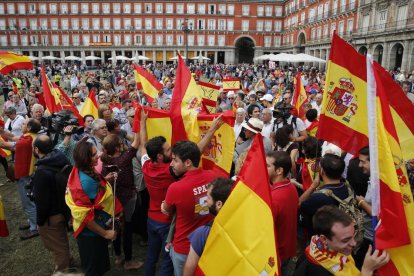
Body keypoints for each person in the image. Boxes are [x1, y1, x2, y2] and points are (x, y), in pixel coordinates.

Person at [140, 110, 223, 276]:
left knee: (151, 256)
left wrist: (142, 123)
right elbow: (194, 153)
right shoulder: (170, 170)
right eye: (169, 151)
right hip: (166, 222)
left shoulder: (146, 165)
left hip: (151, 219)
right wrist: (212, 130)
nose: (172, 155)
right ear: (160, 156)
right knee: (167, 261)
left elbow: (143, 145)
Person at [161, 141, 219, 276]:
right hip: (209, 244)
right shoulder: (214, 176)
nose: (171, 164)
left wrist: (164, 205)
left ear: (188, 162)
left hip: (184, 248)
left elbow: (166, 209)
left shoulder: (176, 188)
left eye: (175, 160)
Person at [65, 138, 121, 276]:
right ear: (85, 158)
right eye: (95, 154)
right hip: (90, 233)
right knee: (93, 270)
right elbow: (85, 216)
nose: (100, 155)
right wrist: (105, 233)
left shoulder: (82, 169)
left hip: (92, 232)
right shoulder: (86, 182)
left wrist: (105, 180)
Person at [294, 205, 389, 276]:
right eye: (345, 240)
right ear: (324, 239)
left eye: (353, 235)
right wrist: (367, 270)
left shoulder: (325, 247)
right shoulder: (317, 271)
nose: (354, 243)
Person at [101, 131, 144, 270]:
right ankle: (129, 261)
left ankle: (118, 256)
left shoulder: (105, 161)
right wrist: (140, 122)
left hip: (112, 201)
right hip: (127, 200)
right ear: (118, 147)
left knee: (116, 227)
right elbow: (136, 143)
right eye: (120, 143)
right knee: (127, 229)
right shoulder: (123, 160)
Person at [32, 135, 73, 274]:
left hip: (51, 216)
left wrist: (40, 221)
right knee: (61, 241)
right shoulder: (60, 158)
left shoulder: (42, 172)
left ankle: (63, 270)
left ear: (36, 149)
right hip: (63, 208)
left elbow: (42, 202)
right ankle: (68, 260)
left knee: (57, 246)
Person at [183, 178, 234, 276]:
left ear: (219, 204)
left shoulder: (202, 234)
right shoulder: (245, 227)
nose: (205, 200)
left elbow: (189, 270)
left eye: (208, 197)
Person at [299, 154, 350, 237]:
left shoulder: (318, 197)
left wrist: (313, 186)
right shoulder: (348, 187)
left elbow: (299, 203)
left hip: (322, 240)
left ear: (322, 171)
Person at [266, 151, 299, 275]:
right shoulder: (290, 186)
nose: (263, 168)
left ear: (279, 170)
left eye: (268, 166)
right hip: (287, 250)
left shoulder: (274, 197)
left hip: (275, 254)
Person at [14, 118, 41, 240]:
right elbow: (14, 139)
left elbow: (6, 145)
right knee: (31, 200)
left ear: (29, 128)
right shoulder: (32, 137)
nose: (21, 125)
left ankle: (34, 228)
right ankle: (32, 221)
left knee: (28, 202)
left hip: (25, 176)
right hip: (29, 174)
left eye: (23, 124)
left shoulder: (26, 141)